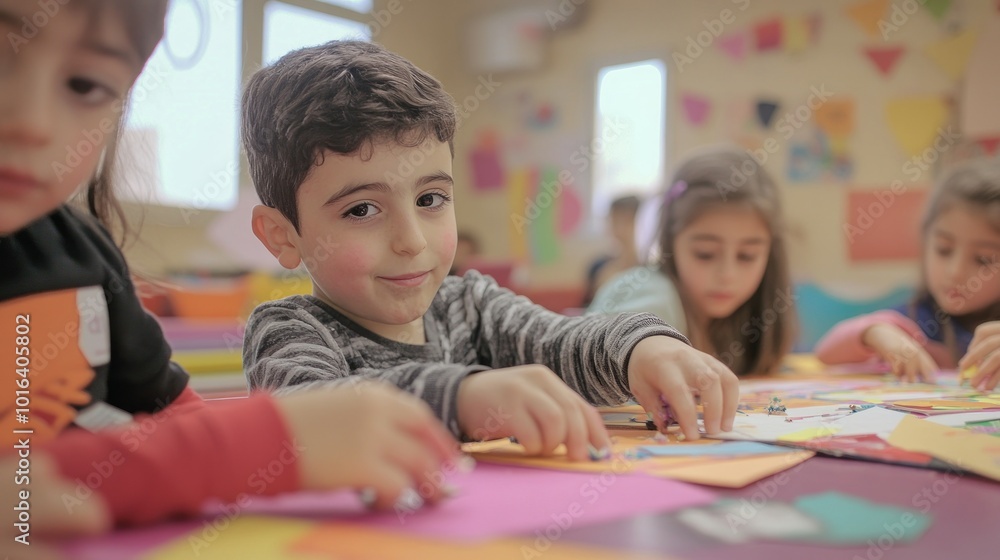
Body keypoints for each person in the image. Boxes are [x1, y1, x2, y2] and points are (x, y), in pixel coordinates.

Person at [0, 0, 457, 537]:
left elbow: (176, 418)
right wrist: (256, 445)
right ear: (282, 235)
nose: (32, 122)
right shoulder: (291, 330)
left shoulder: (80, 257)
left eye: (85, 85)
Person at [240, 40, 739, 459]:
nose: (411, 240)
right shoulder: (287, 331)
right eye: (361, 210)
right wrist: (463, 398)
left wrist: (643, 348)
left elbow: (563, 342)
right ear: (283, 234)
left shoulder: (471, 306)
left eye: (431, 199)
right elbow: (306, 416)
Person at [588, 146, 797, 376]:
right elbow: (600, 352)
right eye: (705, 253)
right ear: (671, 242)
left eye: (747, 255)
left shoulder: (747, 318)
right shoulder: (650, 295)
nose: (728, 274)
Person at [816, 159, 1000, 390]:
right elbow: (826, 351)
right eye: (943, 250)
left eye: (983, 259)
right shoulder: (915, 319)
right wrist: (875, 333)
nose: (955, 272)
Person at [582, 195, 641, 307]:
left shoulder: (654, 271)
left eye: (627, 221)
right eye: (615, 220)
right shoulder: (598, 267)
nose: (620, 228)